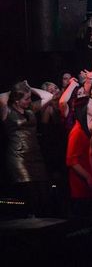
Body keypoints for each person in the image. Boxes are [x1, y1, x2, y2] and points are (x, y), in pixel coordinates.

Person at [0, 81, 53, 217]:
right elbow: (1, 97)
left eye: (30, 98)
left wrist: (29, 88)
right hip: (19, 157)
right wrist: (13, 90)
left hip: (35, 155)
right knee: (30, 195)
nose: (30, 101)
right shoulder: (6, 111)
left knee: (44, 194)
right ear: (16, 100)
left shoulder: (30, 109)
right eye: (26, 98)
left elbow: (48, 96)